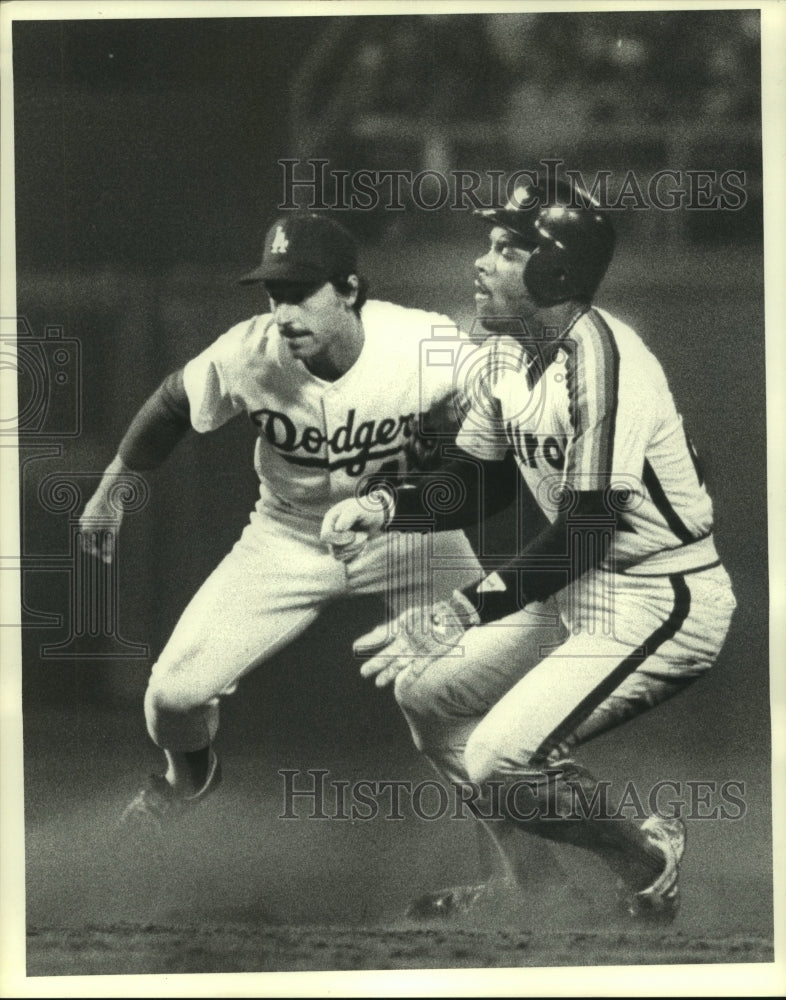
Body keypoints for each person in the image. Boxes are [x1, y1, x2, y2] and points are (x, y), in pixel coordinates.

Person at [321, 178, 737, 922]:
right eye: (489, 244)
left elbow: (584, 533)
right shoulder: (510, 358)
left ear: (556, 272)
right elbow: (475, 486)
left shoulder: (606, 357)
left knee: (501, 763)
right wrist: (385, 506)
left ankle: (647, 860)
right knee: (429, 696)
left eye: (508, 248)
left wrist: (457, 612)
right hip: (582, 592)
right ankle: (532, 884)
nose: (482, 261)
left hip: (661, 598)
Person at [78, 211, 482, 824]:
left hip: (408, 531)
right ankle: (190, 780)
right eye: (275, 293)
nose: (284, 312)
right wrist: (112, 488)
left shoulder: (422, 343)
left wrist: (459, 442)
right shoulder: (251, 352)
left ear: (349, 290)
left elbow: (501, 412)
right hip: (289, 535)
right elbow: (172, 403)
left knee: (471, 707)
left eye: (301, 293)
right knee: (171, 697)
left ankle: (524, 876)